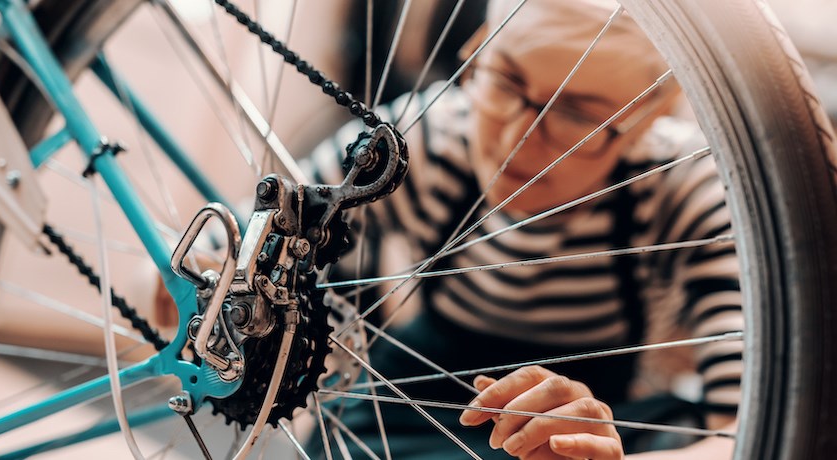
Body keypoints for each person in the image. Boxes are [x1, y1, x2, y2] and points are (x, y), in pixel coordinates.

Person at [302, 0, 742, 458]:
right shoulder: (428, 141)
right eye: (506, 81)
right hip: (411, 416)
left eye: (576, 115)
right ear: (476, 51)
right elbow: (246, 243)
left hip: (589, 426)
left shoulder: (680, 186)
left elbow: (748, 424)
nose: (517, 140)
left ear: (648, 118)